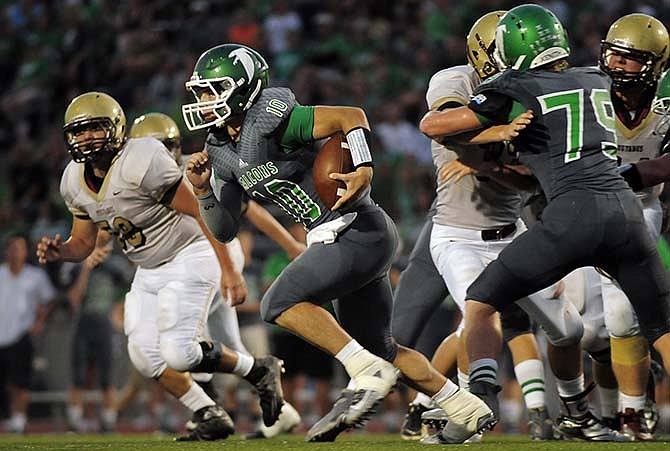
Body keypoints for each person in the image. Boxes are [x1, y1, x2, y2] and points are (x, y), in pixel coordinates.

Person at [182, 43, 494, 444]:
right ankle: (465, 407)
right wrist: (203, 190)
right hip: (348, 235)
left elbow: (351, 116)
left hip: (353, 226)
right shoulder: (220, 151)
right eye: (201, 92)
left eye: (213, 90)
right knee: (380, 348)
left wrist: (363, 167)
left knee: (278, 304)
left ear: (243, 88)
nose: (204, 101)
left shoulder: (271, 118)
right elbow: (224, 229)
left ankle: (364, 372)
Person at [418, 2, 670, 439]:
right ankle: (600, 413)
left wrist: (493, 130)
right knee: (661, 327)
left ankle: (474, 407)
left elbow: (433, 125)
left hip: (571, 216)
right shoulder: (596, 79)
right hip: (627, 212)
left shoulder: (514, 85)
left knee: (480, 302)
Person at [36, 92, 286, 441]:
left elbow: (203, 212)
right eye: (79, 131)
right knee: (144, 354)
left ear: (117, 128)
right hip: (149, 267)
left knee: (180, 352)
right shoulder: (73, 180)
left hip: (189, 252)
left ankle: (259, 370)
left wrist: (229, 269)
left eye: (95, 128)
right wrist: (59, 252)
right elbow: (82, 243)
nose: (87, 137)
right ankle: (208, 411)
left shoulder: (142, 159)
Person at [590, 13, 670, 440]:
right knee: (582, 330)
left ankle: (631, 411)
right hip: (581, 207)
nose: (616, 66)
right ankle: (594, 408)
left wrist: (626, 176)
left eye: (629, 60)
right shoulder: (590, 88)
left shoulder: (667, 96)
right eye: (613, 56)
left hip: (639, 207)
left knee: (621, 318)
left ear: (655, 64)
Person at [64, 241, 127, 433]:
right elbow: (74, 300)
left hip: (105, 327)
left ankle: (108, 421)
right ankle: (74, 422)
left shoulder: (115, 269)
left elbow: (129, 291)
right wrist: (86, 268)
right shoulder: (77, 269)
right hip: (83, 326)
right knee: (79, 377)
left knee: (107, 379)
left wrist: (119, 313)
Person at [0, 233, 56, 433]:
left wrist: (40, 321)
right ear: (7, 252)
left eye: (19, 248)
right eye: (12, 248)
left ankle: (18, 420)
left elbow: (50, 300)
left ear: (25, 252)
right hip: (1, 333)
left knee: (19, 382)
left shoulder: (35, 276)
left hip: (21, 335)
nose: (15, 253)